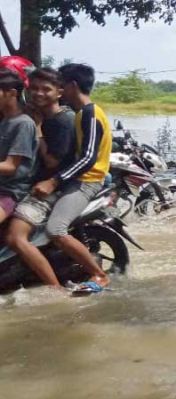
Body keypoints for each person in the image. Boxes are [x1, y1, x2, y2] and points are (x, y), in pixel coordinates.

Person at [11, 63, 112, 290]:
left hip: (87, 181)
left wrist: (53, 181)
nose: (40, 93)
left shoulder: (89, 113)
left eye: (59, 84)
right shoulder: (79, 114)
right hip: (74, 179)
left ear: (70, 86)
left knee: (55, 229)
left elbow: (87, 158)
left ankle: (100, 275)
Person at [5, 68, 76, 289]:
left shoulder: (59, 121)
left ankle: (56, 291)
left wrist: (37, 129)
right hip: (35, 184)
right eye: (34, 88)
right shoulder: (36, 117)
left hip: (48, 187)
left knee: (15, 238)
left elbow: (50, 163)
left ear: (60, 92)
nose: (39, 93)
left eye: (46, 89)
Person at [0, 69, 38, 226]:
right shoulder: (5, 121)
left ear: (12, 93)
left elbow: (10, 166)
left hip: (10, 192)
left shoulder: (23, 123)